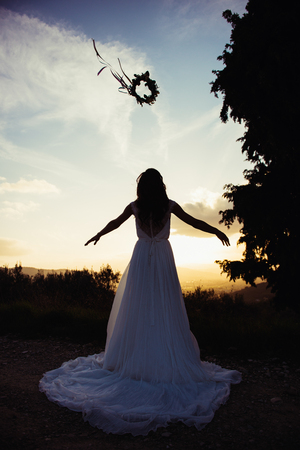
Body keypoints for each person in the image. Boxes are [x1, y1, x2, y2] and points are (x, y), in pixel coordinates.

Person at [39, 168, 241, 436]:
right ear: (161, 186)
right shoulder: (168, 205)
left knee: (140, 307)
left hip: (142, 258)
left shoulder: (136, 206)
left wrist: (100, 233)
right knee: (162, 308)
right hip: (162, 259)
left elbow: (115, 222)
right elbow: (192, 222)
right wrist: (214, 230)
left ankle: (141, 355)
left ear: (142, 187)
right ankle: (159, 355)